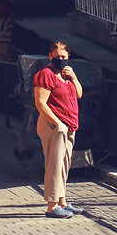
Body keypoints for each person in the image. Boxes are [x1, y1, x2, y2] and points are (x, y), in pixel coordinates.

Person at [34, 41, 84, 218]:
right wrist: (57, 123)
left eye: (63, 57)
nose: (60, 60)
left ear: (69, 56)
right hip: (54, 125)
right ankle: (52, 206)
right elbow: (40, 103)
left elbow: (78, 94)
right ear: (50, 56)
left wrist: (74, 77)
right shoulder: (45, 74)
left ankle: (62, 201)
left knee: (64, 165)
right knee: (54, 165)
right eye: (57, 57)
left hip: (69, 125)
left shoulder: (66, 75)